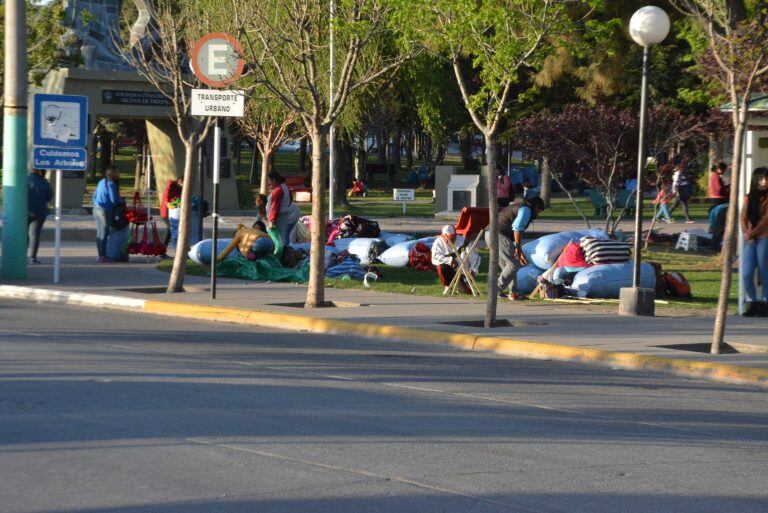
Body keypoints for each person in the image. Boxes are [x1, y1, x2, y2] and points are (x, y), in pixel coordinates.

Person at [490, 196, 546, 300]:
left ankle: (514, 291)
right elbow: (517, 228)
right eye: (538, 211)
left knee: (508, 265)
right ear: (536, 206)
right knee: (514, 264)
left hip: (490, 233)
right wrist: (518, 248)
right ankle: (495, 289)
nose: (537, 215)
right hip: (499, 234)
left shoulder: (517, 205)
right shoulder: (526, 209)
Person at [740, 167, 768, 317]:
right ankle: (754, 302)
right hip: (750, 239)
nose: (764, 182)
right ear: (755, 180)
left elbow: (766, 220)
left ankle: (765, 302)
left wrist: (751, 233)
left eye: (766, 179)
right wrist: (746, 232)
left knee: (764, 271)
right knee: (746, 273)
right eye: (761, 179)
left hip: (764, 236)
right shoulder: (749, 197)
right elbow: (743, 216)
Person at [92, 166, 121, 263]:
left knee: (99, 233)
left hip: (96, 209)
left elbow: (94, 195)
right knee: (104, 234)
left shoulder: (101, 182)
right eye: (116, 173)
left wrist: (97, 204)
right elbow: (113, 200)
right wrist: (121, 200)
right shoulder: (111, 184)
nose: (117, 175)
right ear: (112, 175)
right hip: (104, 211)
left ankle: (100, 255)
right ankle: (103, 256)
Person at [431, 225, 470, 294]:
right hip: (448, 268)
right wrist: (449, 261)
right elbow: (435, 258)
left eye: (452, 238)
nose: (450, 241)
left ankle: (462, 284)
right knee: (441, 267)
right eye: (448, 238)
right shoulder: (438, 242)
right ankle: (448, 286)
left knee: (465, 291)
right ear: (443, 236)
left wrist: (473, 270)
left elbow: (476, 258)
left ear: (456, 235)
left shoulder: (464, 241)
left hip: (463, 270)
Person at [266, 171, 301, 247]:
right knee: (284, 235)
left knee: (280, 237)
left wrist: (272, 220)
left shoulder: (278, 190)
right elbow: (290, 198)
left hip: (280, 216)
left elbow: (275, 206)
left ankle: (282, 253)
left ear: (274, 180)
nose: (268, 182)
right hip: (285, 213)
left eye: (269, 180)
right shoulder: (284, 186)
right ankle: (286, 251)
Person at [27, 169, 53, 264]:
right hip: (39, 213)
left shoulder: (24, 179)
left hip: (24, 212)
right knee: (34, 236)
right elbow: (50, 197)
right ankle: (33, 258)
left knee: (22, 236)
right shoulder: (43, 182)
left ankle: (21, 256)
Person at [160, 177, 184, 249]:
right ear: (180, 181)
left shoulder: (180, 188)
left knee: (171, 229)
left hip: (174, 212)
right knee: (171, 229)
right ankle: (163, 249)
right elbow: (167, 194)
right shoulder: (171, 184)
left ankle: (163, 249)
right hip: (167, 211)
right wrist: (169, 202)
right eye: (183, 183)